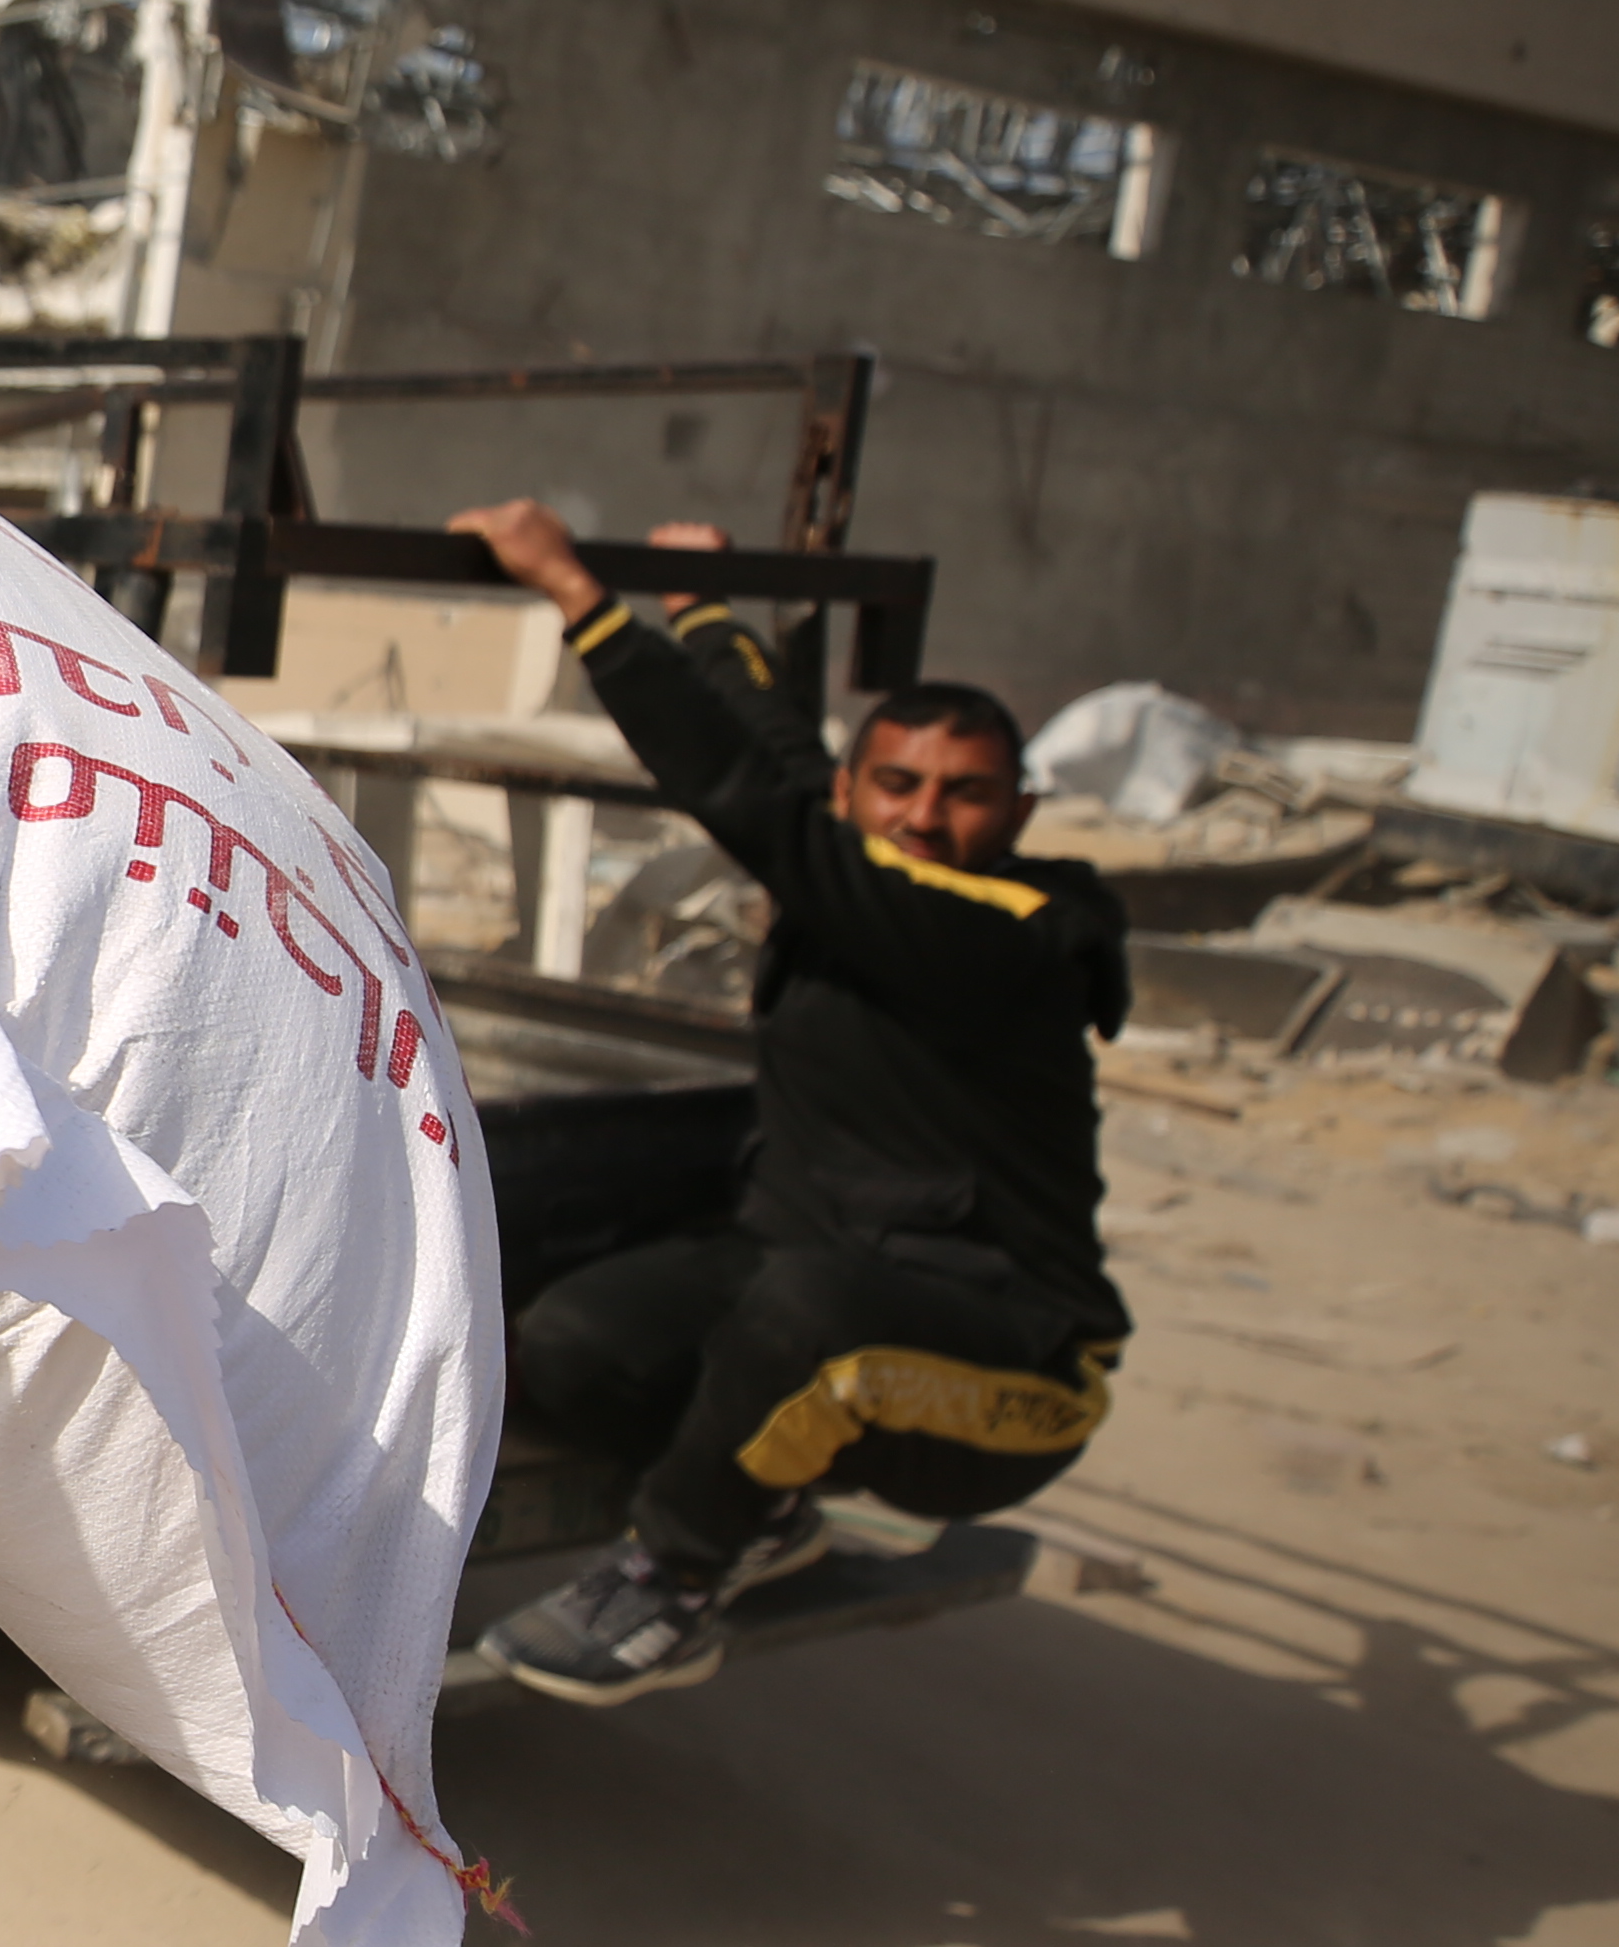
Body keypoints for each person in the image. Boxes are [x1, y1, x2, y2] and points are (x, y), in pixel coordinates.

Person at [438, 498, 1131, 1705]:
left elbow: (742, 794)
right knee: (573, 1343)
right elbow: (779, 758)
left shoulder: (1008, 930)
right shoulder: (861, 870)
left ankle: (678, 1576)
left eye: (963, 795)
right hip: (824, 1274)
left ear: (1018, 813)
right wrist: (705, 610)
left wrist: (579, 597)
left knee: (810, 1310)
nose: (925, 817)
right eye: (898, 786)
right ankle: (760, 1511)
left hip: (1007, 1360)